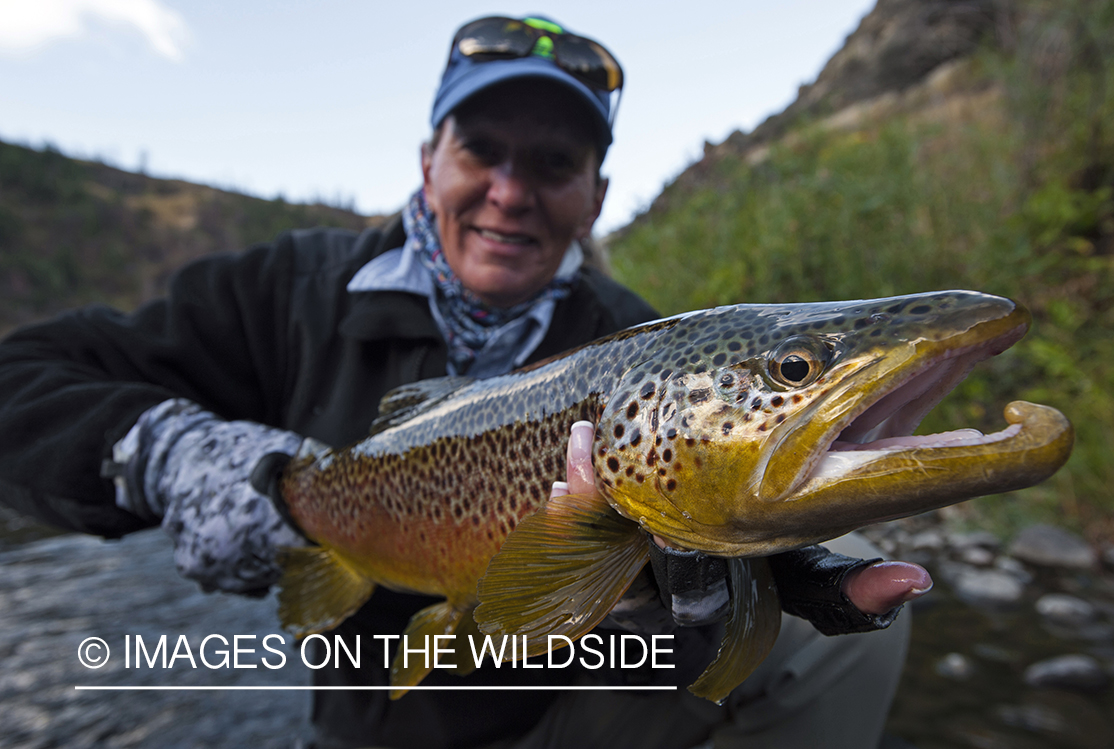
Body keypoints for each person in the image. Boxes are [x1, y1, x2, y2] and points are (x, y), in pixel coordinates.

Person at [0, 15, 931, 749]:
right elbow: (22, 378)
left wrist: (770, 574)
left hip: (567, 719)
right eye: (483, 148)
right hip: (371, 729)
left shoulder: (639, 345)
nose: (512, 190)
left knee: (840, 633)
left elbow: (708, 520)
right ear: (428, 162)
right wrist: (171, 454)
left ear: (595, 196)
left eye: (555, 163)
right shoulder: (286, 292)